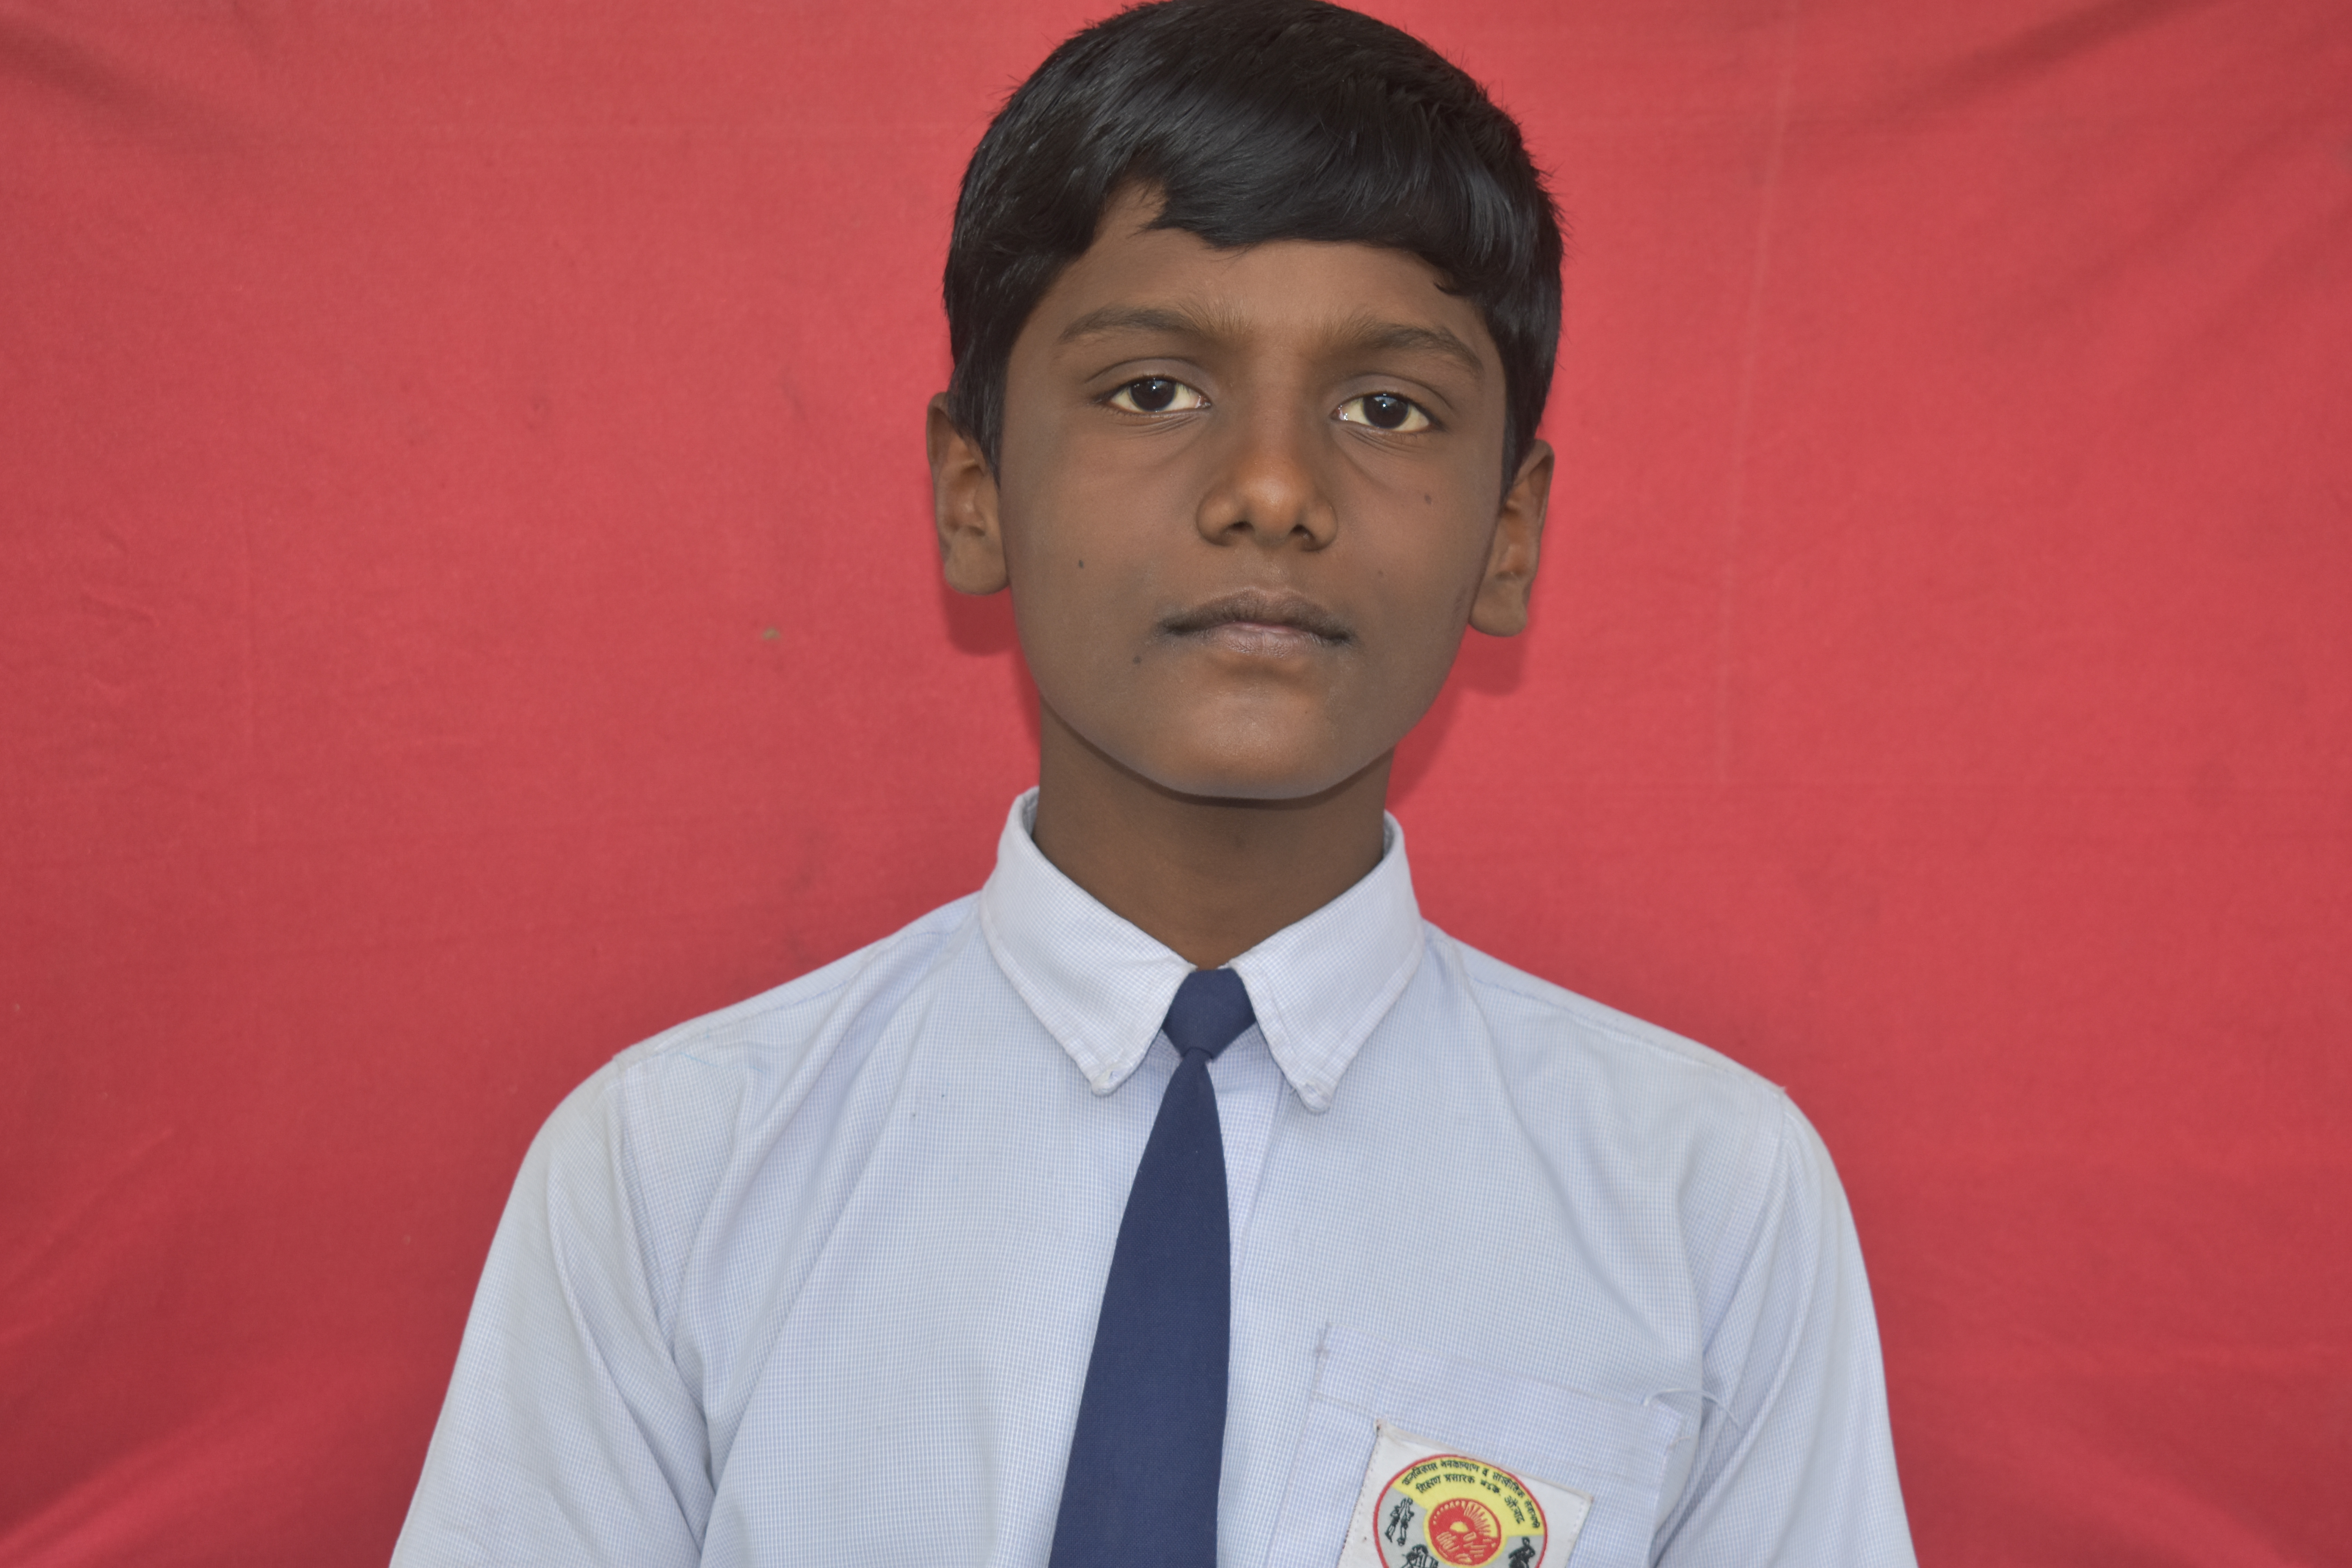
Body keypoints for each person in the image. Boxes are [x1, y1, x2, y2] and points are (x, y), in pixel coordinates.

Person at [392, 2, 1915, 1564]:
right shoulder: (671, 1173)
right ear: (974, 494)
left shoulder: (1706, 1203)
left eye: (1386, 409)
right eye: (1152, 390)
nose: (1272, 490)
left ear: (1508, 536)